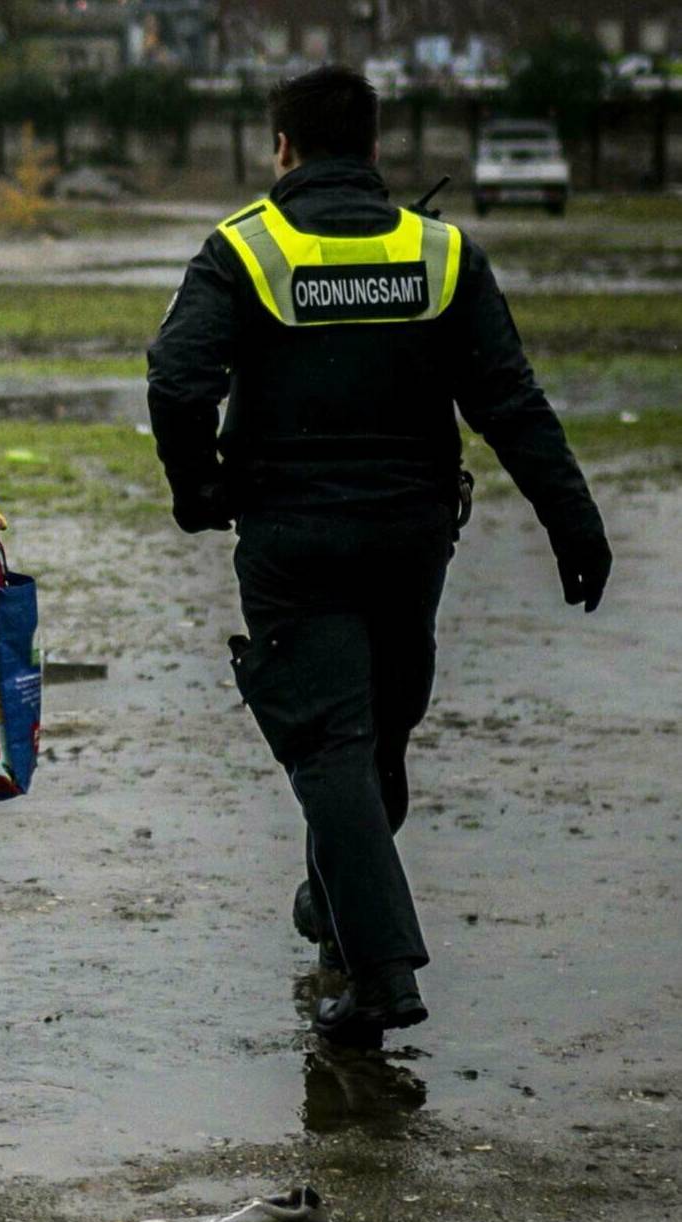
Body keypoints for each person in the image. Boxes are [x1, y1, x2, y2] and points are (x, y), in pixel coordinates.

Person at [146, 66, 611, 1047]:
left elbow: (177, 378)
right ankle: (336, 906)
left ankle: (382, 967)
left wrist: (201, 493)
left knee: (332, 748)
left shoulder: (244, 247)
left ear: (283, 147)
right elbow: (510, 402)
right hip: (413, 538)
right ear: (372, 147)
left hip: (294, 539)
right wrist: (574, 523)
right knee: (375, 740)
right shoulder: (440, 253)